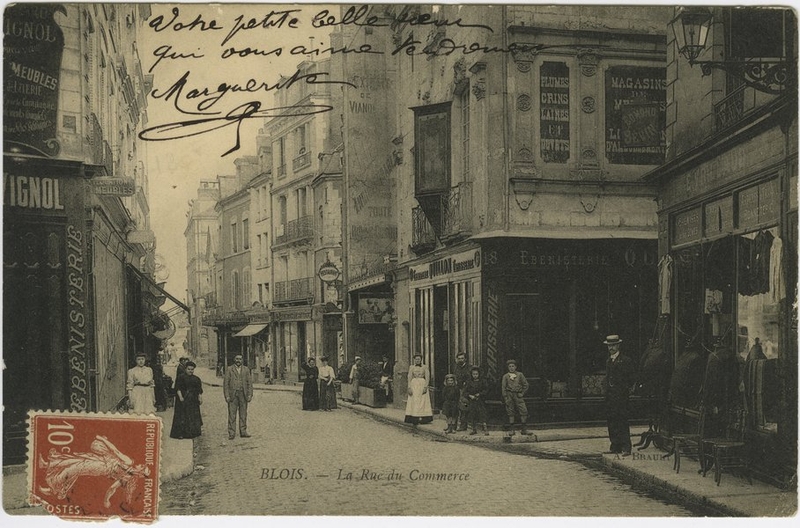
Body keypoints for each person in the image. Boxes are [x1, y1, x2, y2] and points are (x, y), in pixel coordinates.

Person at [603, 335, 636, 456]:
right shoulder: (609, 361)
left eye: (613, 345)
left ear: (618, 345)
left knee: (622, 421)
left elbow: (632, 378)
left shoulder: (626, 361)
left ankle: (626, 447)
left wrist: (623, 389)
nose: (611, 348)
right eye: (609, 346)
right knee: (612, 421)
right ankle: (615, 446)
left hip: (621, 397)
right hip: (610, 397)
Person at [170, 361, 203, 439]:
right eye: (189, 369)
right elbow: (178, 388)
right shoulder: (180, 377)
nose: (190, 371)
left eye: (192, 369)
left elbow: (199, 390)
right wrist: (181, 397)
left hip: (193, 400)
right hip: (183, 399)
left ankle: (192, 432)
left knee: (192, 415)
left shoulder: (196, 379)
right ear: (185, 369)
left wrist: (200, 398)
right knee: (182, 416)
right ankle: (181, 433)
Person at [223, 354, 253, 440]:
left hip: (243, 395)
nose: (238, 360)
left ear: (242, 360)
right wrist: (227, 395)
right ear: (234, 359)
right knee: (232, 414)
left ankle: (243, 431)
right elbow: (226, 384)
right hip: (233, 395)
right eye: (237, 359)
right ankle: (231, 433)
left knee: (243, 414)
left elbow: (249, 383)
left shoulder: (246, 369)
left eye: (240, 359)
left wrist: (250, 394)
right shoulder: (229, 369)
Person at [501, 359, 532, 436]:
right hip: (509, 395)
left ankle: (524, 429)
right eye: (510, 366)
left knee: (523, 410)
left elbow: (526, 385)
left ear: (516, 367)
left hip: (518, 395)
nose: (511, 368)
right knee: (510, 411)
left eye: (513, 366)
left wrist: (522, 393)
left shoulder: (520, 375)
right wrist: (505, 398)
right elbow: (503, 388)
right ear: (508, 367)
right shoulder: (505, 376)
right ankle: (512, 430)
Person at [404, 354, 433, 425]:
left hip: (422, 384)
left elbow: (427, 377)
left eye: (419, 359)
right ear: (414, 360)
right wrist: (409, 387)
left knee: (423, 401)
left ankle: (424, 418)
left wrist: (426, 386)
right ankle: (414, 418)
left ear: (421, 360)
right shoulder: (411, 367)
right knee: (414, 400)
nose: (417, 360)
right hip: (414, 384)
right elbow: (409, 377)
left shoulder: (425, 367)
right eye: (416, 359)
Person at [464, 366, 490, 435]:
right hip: (472, 401)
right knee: (473, 414)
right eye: (473, 374)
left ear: (479, 374)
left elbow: (486, 390)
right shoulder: (469, 382)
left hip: (480, 400)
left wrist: (480, 394)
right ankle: (474, 429)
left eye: (476, 374)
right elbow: (465, 392)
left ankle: (485, 429)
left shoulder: (483, 381)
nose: (475, 376)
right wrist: (470, 396)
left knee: (482, 414)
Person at [453, 352, 472, 431]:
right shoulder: (456, 367)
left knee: (463, 407)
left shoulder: (469, 368)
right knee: (456, 407)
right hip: (457, 389)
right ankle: (454, 425)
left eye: (462, 358)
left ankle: (463, 426)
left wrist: (465, 388)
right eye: (459, 358)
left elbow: (469, 380)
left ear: (465, 359)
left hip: (465, 390)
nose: (460, 360)